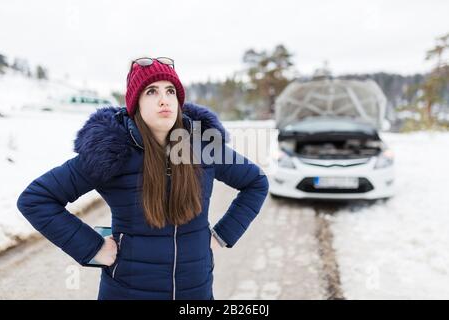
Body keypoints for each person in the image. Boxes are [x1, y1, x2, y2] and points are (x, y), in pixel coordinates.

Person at [16, 57, 269, 300]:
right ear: (135, 103)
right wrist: (94, 248)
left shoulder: (203, 146)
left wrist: (222, 236)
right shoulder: (112, 151)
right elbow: (36, 199)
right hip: (127, 292)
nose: (164, 100)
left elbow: (256, 182)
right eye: (151, 92)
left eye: (171, 91)